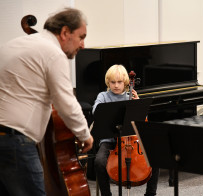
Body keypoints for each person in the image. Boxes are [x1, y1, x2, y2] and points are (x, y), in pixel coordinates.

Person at [0, 8, 93, 196]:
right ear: (65, 32)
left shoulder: (15, 44)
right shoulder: (53, 53)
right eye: (81, 37)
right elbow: (66, 103)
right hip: (16, 141)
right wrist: (85, 135)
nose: (83, 45)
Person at [93, 64, 159, 196]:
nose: (116, 85)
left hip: (132, 140)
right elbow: (96, 111)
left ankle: (150, 194)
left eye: (119, 82)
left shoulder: (130, 96)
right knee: (99, 161)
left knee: (155, 156)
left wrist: (138, 104)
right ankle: (106, 194)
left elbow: (143, 119)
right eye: (113, 82)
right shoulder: (103, 96)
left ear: (126, 83)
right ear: (108, 82)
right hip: (109, 140)